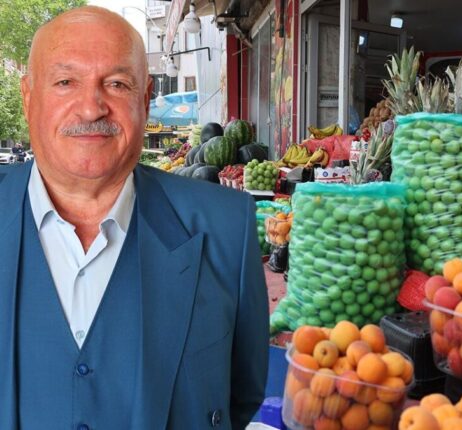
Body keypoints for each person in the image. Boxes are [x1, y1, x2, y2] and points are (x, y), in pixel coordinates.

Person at [0, 6, 268, 429]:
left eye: (117, 84)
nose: (91, 108)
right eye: (66, 82)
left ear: (144, 101)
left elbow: (243, 396)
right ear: (29, 97)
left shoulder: (226, 227)